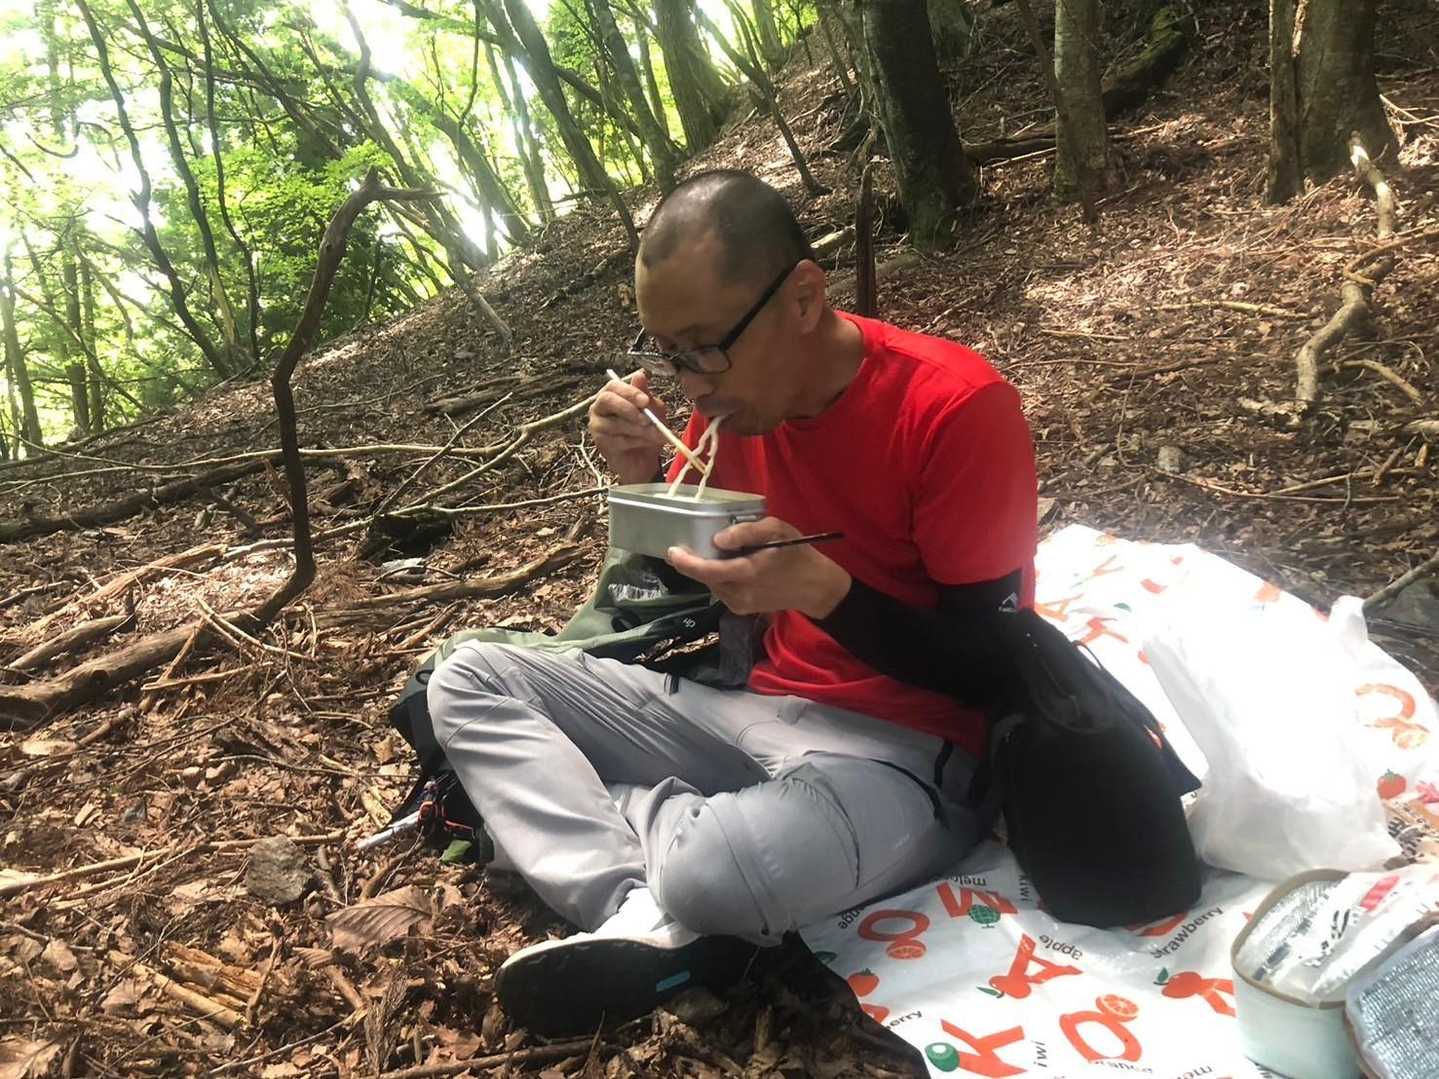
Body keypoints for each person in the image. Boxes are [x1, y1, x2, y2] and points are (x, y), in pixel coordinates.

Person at [426, 170, 1037, 1036]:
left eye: (704, 347)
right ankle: (634, 903)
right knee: (470, 675)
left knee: (710, 871)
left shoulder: (952, 407)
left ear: (803, 298)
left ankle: (612, 838)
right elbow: (660, 592)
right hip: (754, 707)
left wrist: (825, 593)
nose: (691, 386)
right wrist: (641, 478)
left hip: (910, 754)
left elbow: (994, 665)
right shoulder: (738, 410)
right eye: (667, 353)